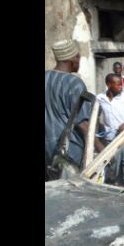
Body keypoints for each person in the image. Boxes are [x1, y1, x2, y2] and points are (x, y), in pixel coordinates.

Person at [45, 39, 103, 180]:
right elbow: (82, 123)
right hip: (68, 152)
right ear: (73, 59)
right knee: (69, 194)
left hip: (47, 149)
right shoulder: (74, 83)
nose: (79, 61)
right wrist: (101, 148)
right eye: (78, 57)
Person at [97, 73, 124, 188]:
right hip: (110, 138)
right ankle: (118, 185)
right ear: (108, 84)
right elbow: (94, 116)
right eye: (118, 85)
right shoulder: (100, 99)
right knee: (115, 164)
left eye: (121, 85)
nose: (120, 87)